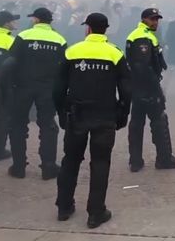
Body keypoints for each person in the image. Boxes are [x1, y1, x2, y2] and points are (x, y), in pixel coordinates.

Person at [54, 13, 131, 229]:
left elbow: (57, 88)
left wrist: (61, 112)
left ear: (87, 29)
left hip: (76, 116)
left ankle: (64, 207)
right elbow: (126, 88)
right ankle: (96, 213)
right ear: (105, 30)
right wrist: (123, 113)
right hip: (105, 116)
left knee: (70, 160)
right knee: (100, 163)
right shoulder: (115, 53)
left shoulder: (72, 51)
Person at [7, 7, 67, 180]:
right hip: (47, 89)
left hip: (22, 87)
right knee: (48, 126)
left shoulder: (23, 36)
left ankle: (19, 167)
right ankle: (48, 167)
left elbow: (11, 62)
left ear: (36, 20)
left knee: (18, 125)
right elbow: (64, 67)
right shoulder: (59, 39)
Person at [125, 8, 175, 172]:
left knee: (137, 123)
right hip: (146, 88)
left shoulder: (144, 34)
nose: (155, 22)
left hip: (138, 87)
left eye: (157, 19)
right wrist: (156, 90)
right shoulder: (142, 37)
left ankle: (136, 161)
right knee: (158, 122)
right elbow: (143, 67)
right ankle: (163, 159)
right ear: (144, 19)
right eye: (152, 19)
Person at [0, 10, 20, 162]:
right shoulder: (12, 42)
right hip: (3, 86)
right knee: (2, 119)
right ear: (7, 23)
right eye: (13, 20)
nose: (15, 22)